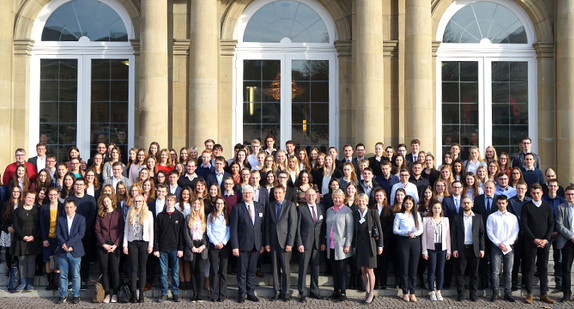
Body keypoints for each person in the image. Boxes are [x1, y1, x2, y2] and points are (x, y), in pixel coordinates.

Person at [521, 184, 555, 304]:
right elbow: (524, 225)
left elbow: (551, 224)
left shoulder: (547, 207)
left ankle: (543, 294)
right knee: (529, 267)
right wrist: (534, 239)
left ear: (542, 193)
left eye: (538, 193)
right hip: (530, 242)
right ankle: (529, 293)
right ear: (531, 193)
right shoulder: (526, 207)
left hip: (544, 242)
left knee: (543, 267)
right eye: (534, 193)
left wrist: (546, 239)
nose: (536, 195)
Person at [230, 185, 264, 303]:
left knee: (252, 271)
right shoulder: (237, 208)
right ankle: (242, 293)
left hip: (256, 245)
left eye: (249, 193)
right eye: (245, 193)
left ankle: (250, 292)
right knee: (242, 271)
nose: (247, 195)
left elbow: (262, 228)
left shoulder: (260, 207)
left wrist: (262, 244)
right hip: (242, 245)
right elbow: (233, 229)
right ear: (242, 194)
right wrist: (235, 246)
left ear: (253, 194)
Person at [265, 185, 297, 301]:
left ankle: (286, 292)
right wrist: (267, 242)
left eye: (279, 193)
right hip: (273, 241)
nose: (277, 195)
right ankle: (276, 291)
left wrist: (290, 243)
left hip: (285, 242)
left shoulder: (290, 205)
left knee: (285, 267)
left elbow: (292, 226)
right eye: (275, 193)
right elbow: (267, 225)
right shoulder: (270, 205)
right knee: (275, 268)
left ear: (284, 193)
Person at [451, 197, 485, 301]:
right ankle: (460, 294)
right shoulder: (457, 218)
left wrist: (482, 249)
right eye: (464, 203)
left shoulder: (478, 217)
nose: (466, 204)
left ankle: (473, 294)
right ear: (461, 205)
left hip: (474, 249)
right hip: (461, 249)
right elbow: (454, 235)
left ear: (472, 204)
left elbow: (482, 235)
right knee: (460, 273)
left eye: (468, 203)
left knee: (474, 273)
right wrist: (454, 249)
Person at [486, 194, 519, 302]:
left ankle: (507, 293)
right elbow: (489, 232)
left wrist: (506, 244)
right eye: (499, 203)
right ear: (496, 203)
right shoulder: (492, 217)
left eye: (503, 203)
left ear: (507, 203)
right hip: (496, 247)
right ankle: (495, 293)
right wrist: (499, 243)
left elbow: (515, 233)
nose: (501, 205)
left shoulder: (512, 217)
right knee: (495, 272)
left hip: (509, 248)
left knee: (508, 272)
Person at [154, 193, 185, 303]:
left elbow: (182, 234)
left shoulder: (179, 216)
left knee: (175, 272)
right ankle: (164, 293)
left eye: (171, 200)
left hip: (175, 248)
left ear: (174, 202)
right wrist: (156, 249)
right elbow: (156, 233)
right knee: (163, 273)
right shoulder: (160, 216)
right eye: (167, 200)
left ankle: (175, 293)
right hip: (162, 249)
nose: (169, 202)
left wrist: (181, 249)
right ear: (165, 201)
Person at [353, 193, 383, 304]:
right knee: (362, 269)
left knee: (370, 269)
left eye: (363, 201)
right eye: (359, 201)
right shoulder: (355, 214)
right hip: (360, 246)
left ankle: (371, 293)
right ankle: (366, 291)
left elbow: (379, 230)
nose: (361, 203)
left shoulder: (372, 213)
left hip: (370, 245)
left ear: (366, 202)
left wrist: (380, 245)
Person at [67, 177, 96, 290]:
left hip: (86, 234)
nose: (78, 186)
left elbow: (92, 216)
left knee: (84, 258)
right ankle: (71, 280)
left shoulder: (90, 199)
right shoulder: (70, 199)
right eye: (77, 184)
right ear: (74, 186)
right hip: (71, 235)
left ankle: (83, 280)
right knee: (71, 257)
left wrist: (82, 230)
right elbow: (67, 216)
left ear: (85, 186)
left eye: (81, 184)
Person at [295, 189, 325, 302]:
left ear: (316, 196)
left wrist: (322, 242)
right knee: (303, 268)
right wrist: (299, 243)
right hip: (305, 243)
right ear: (305, 197)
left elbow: (322, 227)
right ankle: (302, 292)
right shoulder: (300, 209)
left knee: (316, 268)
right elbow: (297, 228)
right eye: (309, 195)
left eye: (313, 195)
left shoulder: (321, 208)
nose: (311, 197)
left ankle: (314, 290)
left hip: (317, 244)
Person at [123, 194, 153, 303]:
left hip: (144, 242)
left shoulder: (148, 214)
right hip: (132, 242)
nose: (138, 203)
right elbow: (126, 230)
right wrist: (125, 245)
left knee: (143, 268)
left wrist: (151, 245)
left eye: (140, 201)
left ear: (143, 202)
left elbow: (151, 231)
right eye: (136, 201)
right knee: (134, 269)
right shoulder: (130, 213)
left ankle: (141, 294)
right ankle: (134, 294)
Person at [95, 194, 124, 303]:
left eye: (107, 201)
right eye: (104, 202)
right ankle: (107, 293)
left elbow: (121, 230)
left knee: (115, 270)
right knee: (105, 270)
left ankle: (115, 293)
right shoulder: (100, 214)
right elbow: (97, 231)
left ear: (112, 201)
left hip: (115, 246)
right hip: (103, 246)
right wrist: (103, 244)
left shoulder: (118, 214)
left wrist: (115, 245)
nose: (106, 203)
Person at [393, 195, 423, 302]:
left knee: (413, 269)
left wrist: (415, 234)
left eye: (410, 203)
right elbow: (395, 230)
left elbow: (421, 229)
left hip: (415, 242)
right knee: (404, 268)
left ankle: (412, 292)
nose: (408, 205)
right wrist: (406, 232)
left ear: (413, 204)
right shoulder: (399, 215)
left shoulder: (417, 215)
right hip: (403, 242)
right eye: (406, 203)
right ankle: (405, 291)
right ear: (403, 204)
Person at [55, 199, 85, 304]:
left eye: (71, 207)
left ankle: (76, 295)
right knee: (63, 274)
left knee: (75, 274)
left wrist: (69, 244)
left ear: (75, 208)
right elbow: (57, 233)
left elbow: (80, 234)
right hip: (62, 251)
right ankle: (63, 295)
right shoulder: (60, 219)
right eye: (67, 207)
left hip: (75, 251)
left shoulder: (81, 219)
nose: (69, 209)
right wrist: (65, 245)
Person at [325, 189, 353, 302]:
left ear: (343, 198)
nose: (337, 199)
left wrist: (348, 244)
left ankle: (343, 292)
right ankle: (335, 291)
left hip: (342, 246)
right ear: (332, 198)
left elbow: (350, 230)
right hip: (330, 245)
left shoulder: (347, 211)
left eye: (339, 198)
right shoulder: (329, 210)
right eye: (335, 197)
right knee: (334, 270)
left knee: (341, 270)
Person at [12, 191, 42, 292]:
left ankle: (30, 283)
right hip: (21, 240)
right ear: (24, 198)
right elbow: (15, 225)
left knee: (31, 262)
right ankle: (22, 282)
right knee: (22, 262)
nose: (30, 200)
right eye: (29, 198)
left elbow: (40, 225)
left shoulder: (37, 210)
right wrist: (23, 236)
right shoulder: (18, 211)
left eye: (33, 198)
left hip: (34, 240)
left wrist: (34, 236)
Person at [422, 202, 451, 301]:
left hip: (442, 248)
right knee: (432, 270)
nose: (437, 210)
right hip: (431, 248)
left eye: (438, 208)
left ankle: (439, 290)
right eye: (435, 208)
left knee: (440, 270)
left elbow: (448, 236)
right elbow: (424, 236)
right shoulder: (426, 220)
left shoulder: (445, 220)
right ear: (432, 209)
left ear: (441, 209)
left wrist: (449, 251)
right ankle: (431, 291)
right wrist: (424, 250)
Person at [183, 198, 208, 302]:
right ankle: (194, 294)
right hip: (192, 246)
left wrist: (203, 246)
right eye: (195, 203)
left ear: (201, 205)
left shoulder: (204, 218)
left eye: (199, 203)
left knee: (200, 271)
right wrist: (192, 247)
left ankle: (200, 294)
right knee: (193, 270)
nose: (197, 205)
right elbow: (186, 234)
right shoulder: (188, 217)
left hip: (202, 245)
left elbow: (207, 235)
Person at [474, 180, 497, 290]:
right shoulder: (478, 199)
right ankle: (483, 282)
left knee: (494, 260)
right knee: (482, 260)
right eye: (486, 188)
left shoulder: (499, 200)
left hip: (495, 235)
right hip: (481, 234)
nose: (488, 190)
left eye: (490, 188)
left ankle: (494, 283)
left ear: (494, 189)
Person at [39, 187, 64, 291]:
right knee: (48, 260)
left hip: (59, 238)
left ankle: (56, 282)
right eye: (50, 195)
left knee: (58, 260)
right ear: (48, 196)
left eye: (54, 194)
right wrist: (44, 238)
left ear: (58, 195)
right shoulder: (44, 207)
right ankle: (50, 283)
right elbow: (42, 224)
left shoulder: (62, 207)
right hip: (48, 237)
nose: (52, 197)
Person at [207, 197, 230, 302]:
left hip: (224, 246)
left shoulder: (226, 217)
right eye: (217, 203)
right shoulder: (210, 216)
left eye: (221, 203)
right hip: (214, 246)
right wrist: (216, 243)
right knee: (215, 271)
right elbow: (208, 231)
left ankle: (222, 294)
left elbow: (228, 231)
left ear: (224, 205)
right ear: (215, 204)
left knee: (223, 271)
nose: (219, 205)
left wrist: (223, 243)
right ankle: (214, 294)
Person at [555, 186, 574, 302]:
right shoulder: (560, 208)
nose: (570, 196)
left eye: (572, 194)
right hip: (567, 242)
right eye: (568, 194)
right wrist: (571, 236)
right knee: (566, 269)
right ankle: (566, 293)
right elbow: (559, 225)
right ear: (565, 195)